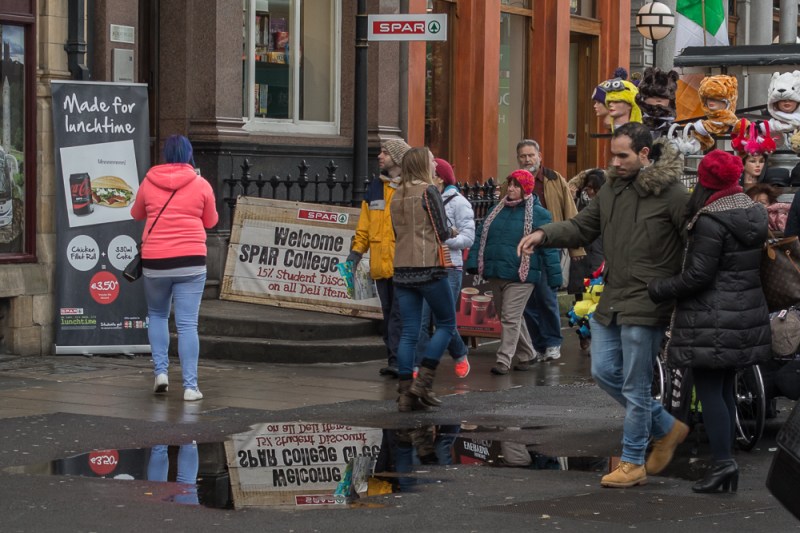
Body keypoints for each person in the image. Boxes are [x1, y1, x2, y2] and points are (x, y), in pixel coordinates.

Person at [517, 122, 690, 488]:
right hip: (612, 297)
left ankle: (632, 461)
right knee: (603, 372)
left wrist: (676, 286)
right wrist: (544, 234)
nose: (615, 161)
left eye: (623, 155)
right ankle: (666, 427)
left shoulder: (673, 193)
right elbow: (583, 227)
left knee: (635, 384)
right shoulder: (613, 188)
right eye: (613, 154)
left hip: (648, 299)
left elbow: (695, 240)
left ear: (645, 154)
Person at [648, 149, 771, 493]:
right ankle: (725, 464)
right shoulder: (750, 210)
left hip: (712, 318)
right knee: (725, 390)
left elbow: (698, 276)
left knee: (710, 391)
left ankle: (722, 463)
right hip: (743, 315)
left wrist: (659, 288)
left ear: (704, 181)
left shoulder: (710, 220)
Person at [131, 134, 218, 401]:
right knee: (187, 324)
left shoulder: (149, 180)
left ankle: (161, 373)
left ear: (166, 155)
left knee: (157, 315)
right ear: (189, 154)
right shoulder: (201, 184)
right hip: (191, 261)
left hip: (156, 261)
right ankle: (190, 387)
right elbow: (212, 221)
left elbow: (136, 213)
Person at [465, 170, 562, 375]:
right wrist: (473, 263)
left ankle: (503, 360)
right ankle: (528, 354)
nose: (510, 189)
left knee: (510, 316)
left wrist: (555, 277)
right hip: (496, 273)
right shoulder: (494, 211)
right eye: (509, 184)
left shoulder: (539, 214)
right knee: (510, 317)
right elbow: (481, 236)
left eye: (516, 185)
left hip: (522, 275)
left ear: (526, 189)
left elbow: (549, 247)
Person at [390, 147, 456, 412]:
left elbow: (396, 232)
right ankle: (424, 383)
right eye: (431, 160)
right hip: (429, 265)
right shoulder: (429, 191)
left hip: (402, 267)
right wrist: (451, 229)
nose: (434, 165)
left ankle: (406, 392)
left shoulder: (396, 194)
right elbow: (441, 231)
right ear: (422, 164)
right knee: (447, 324)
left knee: (409, 331)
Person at [516, 139, 584, 363]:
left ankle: (553, 342)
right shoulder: (513, 182)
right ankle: (538, 344)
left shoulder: (555, 179)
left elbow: (570, 213)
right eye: (523, 156)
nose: (527, 160)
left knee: (546, 297)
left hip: (549, 247)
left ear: (540, 156)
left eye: (531, 155)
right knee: (526, 301)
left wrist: (576, 247)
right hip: (522, 249)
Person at [347, 139, 411, 378]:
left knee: (398, 315)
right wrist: (356, 251)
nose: (380, 156)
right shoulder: (376, 186)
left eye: (385, 152)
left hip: (404, 263)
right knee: (388, 313)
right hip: (380, 264)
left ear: (397, 157)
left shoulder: (409, 187)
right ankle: (394, 358)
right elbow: (365, 224)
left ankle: (400, 360)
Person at [414, 158, 475, 378]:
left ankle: (459, 353)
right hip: (424, 265)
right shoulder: (424, 199)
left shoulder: (459, 202)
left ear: (439, 177)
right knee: (420, 320)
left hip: (449, 266)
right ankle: (419, 367)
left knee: (443, 319)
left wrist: (443, 239)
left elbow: (468, 238)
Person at [635, 67, 679, 138]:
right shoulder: (636, 130)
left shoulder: (676, 129)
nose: (659, 101)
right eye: (653, 97)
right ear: (643, 98)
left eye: (664, 97)